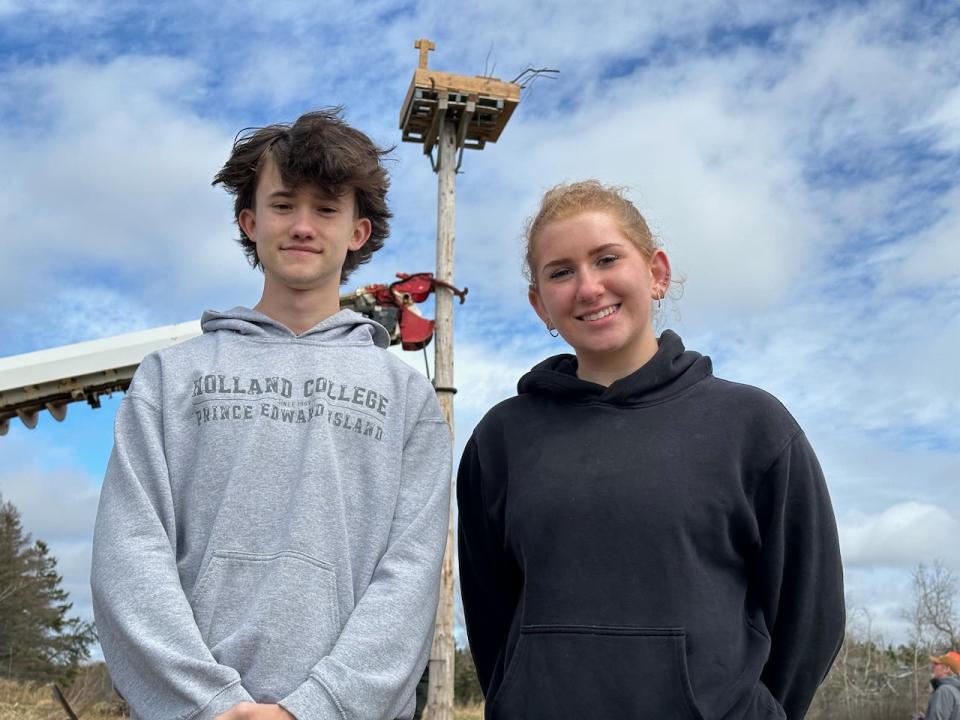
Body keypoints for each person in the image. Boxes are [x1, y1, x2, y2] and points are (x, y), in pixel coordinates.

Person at [91, 109, 452, 720]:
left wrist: (318, 707)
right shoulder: (171, 377)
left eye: (327, 209)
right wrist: (209, 702)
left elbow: (412, 574)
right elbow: (129, 551)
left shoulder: (407, 397)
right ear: (250, 221)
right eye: (284, 205)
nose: (303, 226)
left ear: (358, 232)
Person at [457, 180, 845, 719]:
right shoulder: (501, 440)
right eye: (561, 272)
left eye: (606, 259)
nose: (588, 287)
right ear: (540, 304)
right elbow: (490, 616)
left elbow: (811, 611)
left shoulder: (753, 427)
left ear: (656, 273)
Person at [925, 652, 960, 720]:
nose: (933, 666)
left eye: (936, 664)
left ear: (946, 669)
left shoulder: (945, 691)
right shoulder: (956, 690)